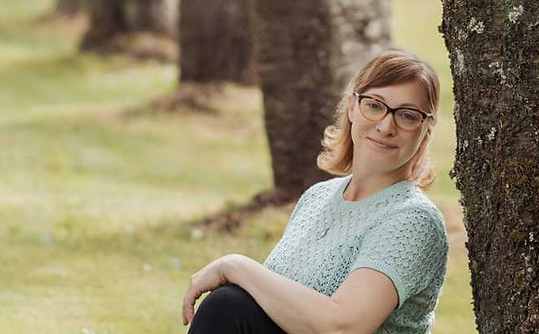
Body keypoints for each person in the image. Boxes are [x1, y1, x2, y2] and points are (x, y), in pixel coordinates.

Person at [182, 49, 449, 334]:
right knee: (231, 305)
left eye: (407, 115)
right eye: (374, 105)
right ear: (351, 107)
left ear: (426, 129)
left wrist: (234, 266)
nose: (386, 126)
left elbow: (344, 327)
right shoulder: (317, 197)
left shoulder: (413, 221)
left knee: (228, 305)